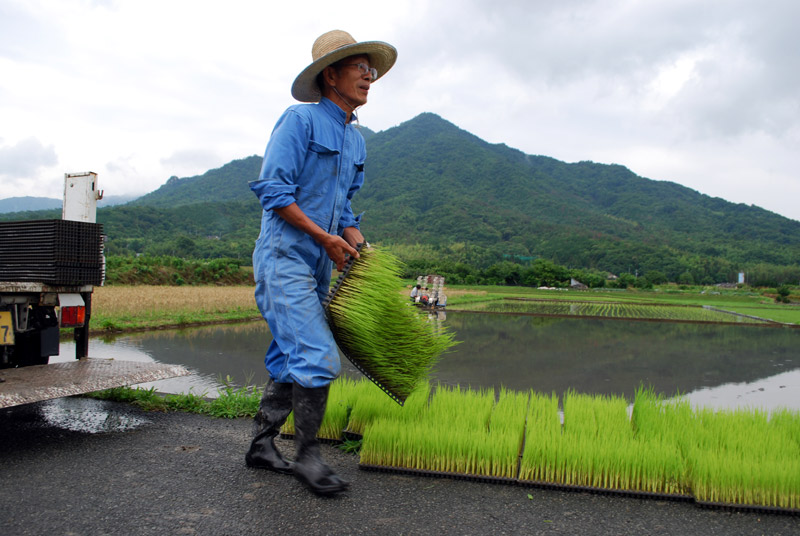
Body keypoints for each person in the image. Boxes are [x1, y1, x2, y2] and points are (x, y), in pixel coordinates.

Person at [246, 30, 397, 496]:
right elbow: (274, 192)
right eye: (359, 67)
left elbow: (345, 207)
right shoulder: (300, 121)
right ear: (331, 75)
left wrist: (354, 239)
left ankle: (261, 444)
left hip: (319, 264)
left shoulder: (356, 143)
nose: (369, 75)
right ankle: (308, 456)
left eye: (371, 69)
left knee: (286, 357)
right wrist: (323, 236)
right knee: (315, 356)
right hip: (284, 257)